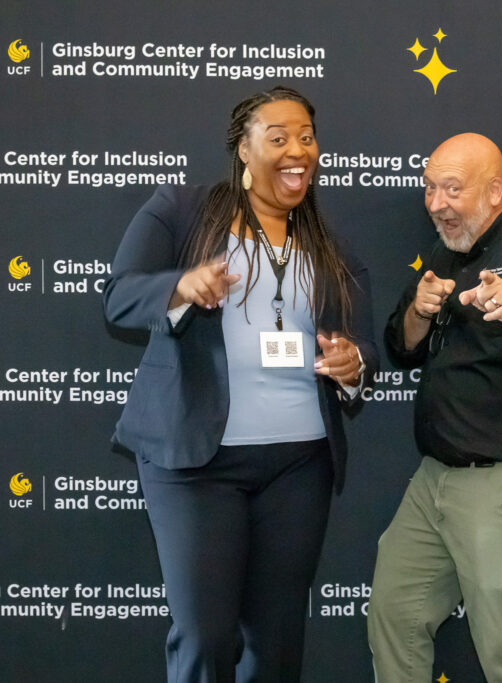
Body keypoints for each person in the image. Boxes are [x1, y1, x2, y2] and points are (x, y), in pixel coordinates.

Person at [103, 86, 377, 683]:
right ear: (243, 150)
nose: (297, 150)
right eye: (278, 137)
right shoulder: (181, 209)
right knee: (206, 637)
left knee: (277, 642)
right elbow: (120, 296)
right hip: (196, 463)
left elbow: (361, 346)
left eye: (306, 136)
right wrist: (180, 287)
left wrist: (353, 365)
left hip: (299, 466)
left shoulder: (329, 245)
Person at [367, 133, 502, 683]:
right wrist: (418, 310)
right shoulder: (451, 248)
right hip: (437, 478)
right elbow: (401, 346)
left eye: (452, 190)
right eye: (430, 189)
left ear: (495, 190)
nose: (437, 204)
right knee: (394, 613)